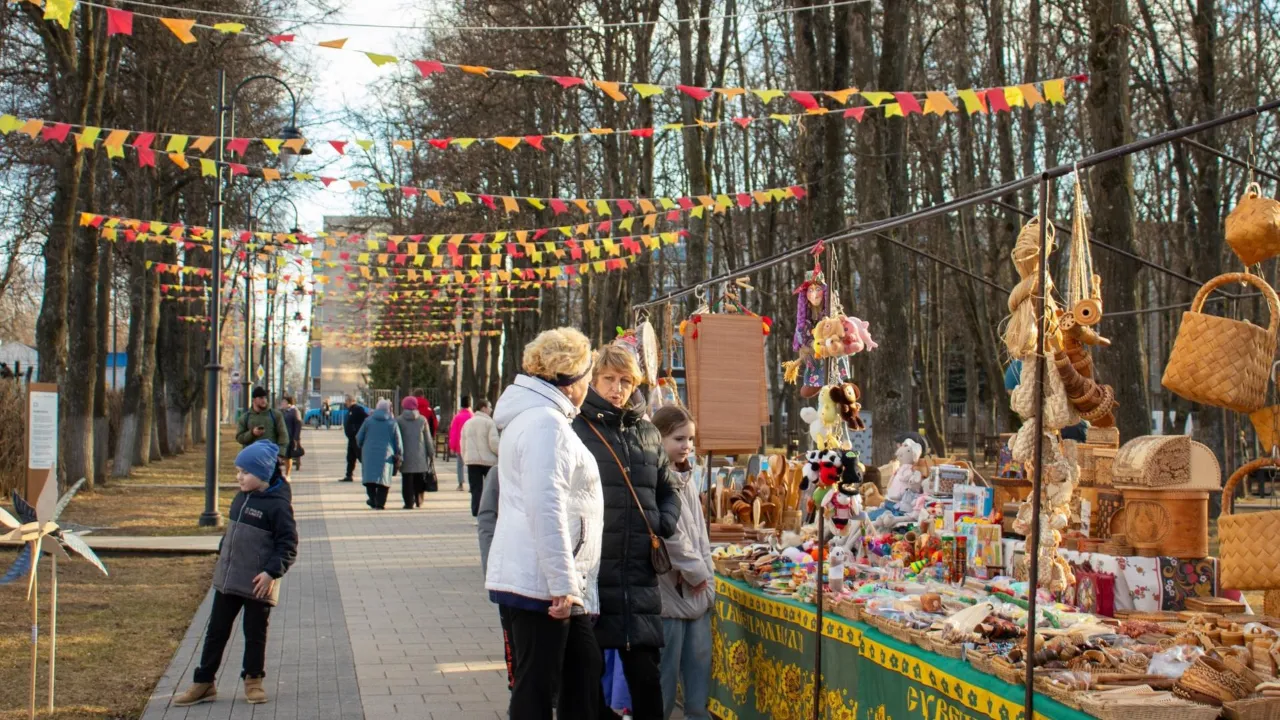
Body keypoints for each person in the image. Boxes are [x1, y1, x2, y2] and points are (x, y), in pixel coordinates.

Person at [485, 327, 605, 720]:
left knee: (579, 674)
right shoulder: (545, 424)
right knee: (539, 687)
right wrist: (562, 585)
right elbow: (546, 505)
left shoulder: (543, 419)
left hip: (548, 581)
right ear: (571, 380)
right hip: (544, 585)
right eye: (588, 376)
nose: (590, 384)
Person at [573, 344, 681, 720]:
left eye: (625, 381)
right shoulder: (576, 428)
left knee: (646, 678)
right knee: (587, 677)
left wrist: (661, 522)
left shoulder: (647, 432)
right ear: (593, 380)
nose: (617, 388)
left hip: (638, 575)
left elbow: (669, 489)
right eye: (609, 379)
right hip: (592, 574)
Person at [172, 439, 298, 707]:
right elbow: (232, 534)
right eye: (238, 471)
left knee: (255, 634)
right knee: (215, 631)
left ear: (263, 474)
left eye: (245, 472)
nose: (239, 477)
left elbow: (287, 545)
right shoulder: (240, 498)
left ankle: (253, 680)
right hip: (228, 580)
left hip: (258, 584)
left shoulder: (277, 506)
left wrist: (270, 572)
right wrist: (222, 555)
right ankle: (204, 681)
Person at [651, 406, 713, 720]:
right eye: (678, 438)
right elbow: (671, 534)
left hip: (696, 591)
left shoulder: (685, 476)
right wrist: (698, 572)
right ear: (658, 438)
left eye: (690, 438)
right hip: (673, 591)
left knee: (699, 665)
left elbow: (697, 532)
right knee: (666, 673)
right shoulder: (659, 478)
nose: (686, 445)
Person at [475, 466, 514, 690]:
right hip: (509, 575)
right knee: (514, 638)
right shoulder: (499, 472)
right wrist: (492, 567)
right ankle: (517, 686)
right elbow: (487, 520)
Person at [356, 399, 402, 510]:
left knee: (370, 479)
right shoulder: (392, 422)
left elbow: (358, 438)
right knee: (384, 479)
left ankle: (372, 499)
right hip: (386, 455)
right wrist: (399, 454)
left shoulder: (368, 421)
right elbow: (398, 441)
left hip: (369, 454)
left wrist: (362, 445)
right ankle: (380, 503)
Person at [460, 399, 499, 518]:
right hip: (488, 461)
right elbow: (493, 443)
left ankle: (476, 512)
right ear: (483, 408)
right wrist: (500, 453)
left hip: (472, 461)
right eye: (490, 407)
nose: (491, 409)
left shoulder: (468, 423)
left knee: (476, 489)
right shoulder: (489, 423)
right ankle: (489, 512)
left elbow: (463, 442)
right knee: (490, 488)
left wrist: (465, 457)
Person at [396, 396, 435, 509]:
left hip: (405, 455)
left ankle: (408, 502)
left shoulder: (399, 420)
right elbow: (428, 438)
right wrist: (431, 453)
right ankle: (419, 500)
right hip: (420, 455)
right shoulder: (422, 419)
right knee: (419, 479)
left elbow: (397, 438)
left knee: (407, 480)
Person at [340, 395, 368, 483]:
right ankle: (349, 475)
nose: (345, 403)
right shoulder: (350, 410)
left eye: (346, 401)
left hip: (357, 438)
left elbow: (366, 419)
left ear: (351, 401)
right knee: (350, 457)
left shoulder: (358, 409)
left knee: (361, 457)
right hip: (351, 439)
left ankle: (368, 474)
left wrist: (356, 429)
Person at [448, 397, 473, 491]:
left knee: (460, 465)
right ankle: (471, 484)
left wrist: (452, 446)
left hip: (460, 445)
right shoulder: (472, 416)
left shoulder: (457, 417)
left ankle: (460, 484)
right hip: (471, 445)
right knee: (471, 466)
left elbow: (453, 433)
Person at [279, 395, 303, 478]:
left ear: (289, 403)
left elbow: (298, 424)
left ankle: (287, 474)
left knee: (287, 456)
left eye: (284, 402)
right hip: (283, 437)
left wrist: (296, 438)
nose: (282, 404)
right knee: (282, 455)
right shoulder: (284, 411)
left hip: (290, 437)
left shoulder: (294, 411)